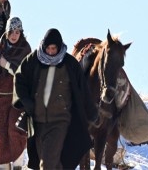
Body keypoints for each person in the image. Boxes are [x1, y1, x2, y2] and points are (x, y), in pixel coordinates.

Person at [12, 28, 101, 169]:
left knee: (47, 163)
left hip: (60, 122)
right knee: (49, 162)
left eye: (54, 48)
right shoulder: (34, 59)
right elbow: (19, 78)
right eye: (48, 48)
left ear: (59, 47)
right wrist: (26, 101)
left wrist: (92, 113)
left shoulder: (70, 64)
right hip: (37, 122)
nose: (50, 51)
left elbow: (83, 90)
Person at [0, 17, 31, 170]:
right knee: (1, 136)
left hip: (17, 98)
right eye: (11, 31)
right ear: (6, 32)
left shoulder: (25, 50)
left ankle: (18, 165)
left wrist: (7, 65)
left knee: (16, 129)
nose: (14, 35)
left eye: (17, 32)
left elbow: (26, 73)